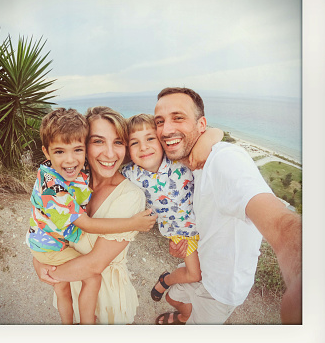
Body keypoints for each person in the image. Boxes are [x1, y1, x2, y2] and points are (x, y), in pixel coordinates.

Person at [153, 87, 302, 325]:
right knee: (174, 298)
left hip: (220, 290)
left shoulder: (223, 161)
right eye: (159, 121)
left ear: (201, 125)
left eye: (178, 117)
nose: (166, 129)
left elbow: (279, 222)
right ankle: (182, 317)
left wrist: (303, 270)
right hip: (197, 265)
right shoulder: (181, 167)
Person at [27, 108, 156, 324]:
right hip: (69, 277)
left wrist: (49, 271)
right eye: (98, 141)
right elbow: (44, 223)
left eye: (118, 142)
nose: (110, 153)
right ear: (84, 145)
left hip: (101, 291)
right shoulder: (73, 179)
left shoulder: (130, 196)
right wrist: (38, 260)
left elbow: (95, 265)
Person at [121, 113, 223, 303]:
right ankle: (165, 280)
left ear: (162, 141)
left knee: (214, 266)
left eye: (150, 138)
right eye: (134, 143)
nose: (143, 147)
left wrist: (211, 135)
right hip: (182, 234)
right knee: (195, 275)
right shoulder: (129, 174)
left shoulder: (180, 158)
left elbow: (216, 133)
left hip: (208, 227)